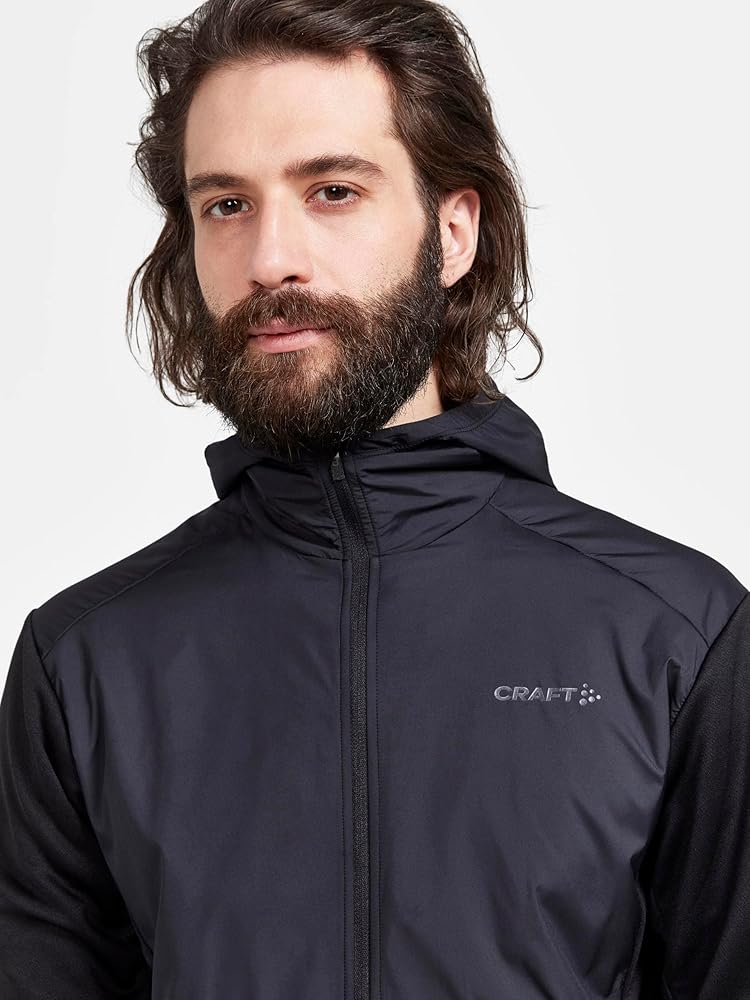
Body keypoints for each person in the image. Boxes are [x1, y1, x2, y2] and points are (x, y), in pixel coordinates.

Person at [1, 0, 748, 997]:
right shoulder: (85, 662)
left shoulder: (678, 634)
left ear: (453, 231)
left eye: (333, 191)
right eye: (225, 204)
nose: (270, 258)